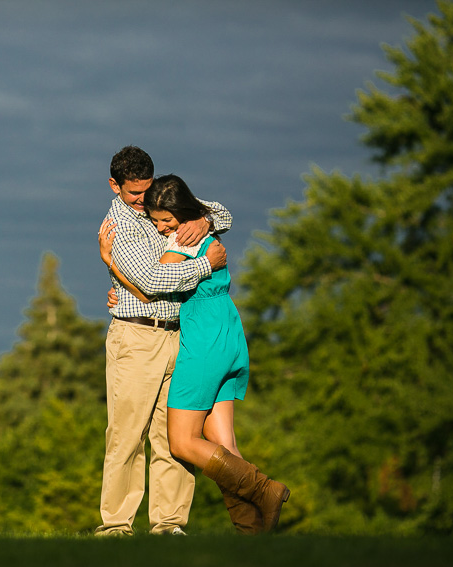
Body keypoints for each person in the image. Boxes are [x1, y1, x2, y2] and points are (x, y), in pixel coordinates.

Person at [100, 173, 289, 534]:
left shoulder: (180, 242)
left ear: (179, 212)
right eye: (155, 221)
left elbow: (149, 289)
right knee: (223, 441)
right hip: (228, 331)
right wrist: (204, 220)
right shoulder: (204, 230)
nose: (159, 228)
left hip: (201, 338)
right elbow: (221, 214)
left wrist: (111, 262)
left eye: (164, 220)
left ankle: (267, 490)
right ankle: (252, 530)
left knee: (183, 442)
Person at [95, 146, 231, 536]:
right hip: (137, 335)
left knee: (171, 435)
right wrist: (207, 264)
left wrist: (203, 221)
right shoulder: (119, 226)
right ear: (114, 186)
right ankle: (117, 525)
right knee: (127, 434)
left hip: (179, 335)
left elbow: (225, 214)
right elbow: (152, 284)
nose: (141, 200)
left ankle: (169, 524)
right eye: (133, 193)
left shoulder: (161, 202)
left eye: (146, 189)